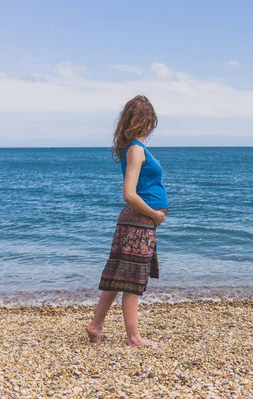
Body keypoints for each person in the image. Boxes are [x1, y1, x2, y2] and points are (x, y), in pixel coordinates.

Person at [86, 95, 169, 347]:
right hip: (138, 222)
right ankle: (133, 337)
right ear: (143, 121)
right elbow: (129, 193)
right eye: (148, 120)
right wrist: (154, 214)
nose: (150, 125)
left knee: (118, 277)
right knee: (131, 282)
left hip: (136, 222)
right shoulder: (135, 149)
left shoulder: (134, 148)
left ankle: (96, 325)